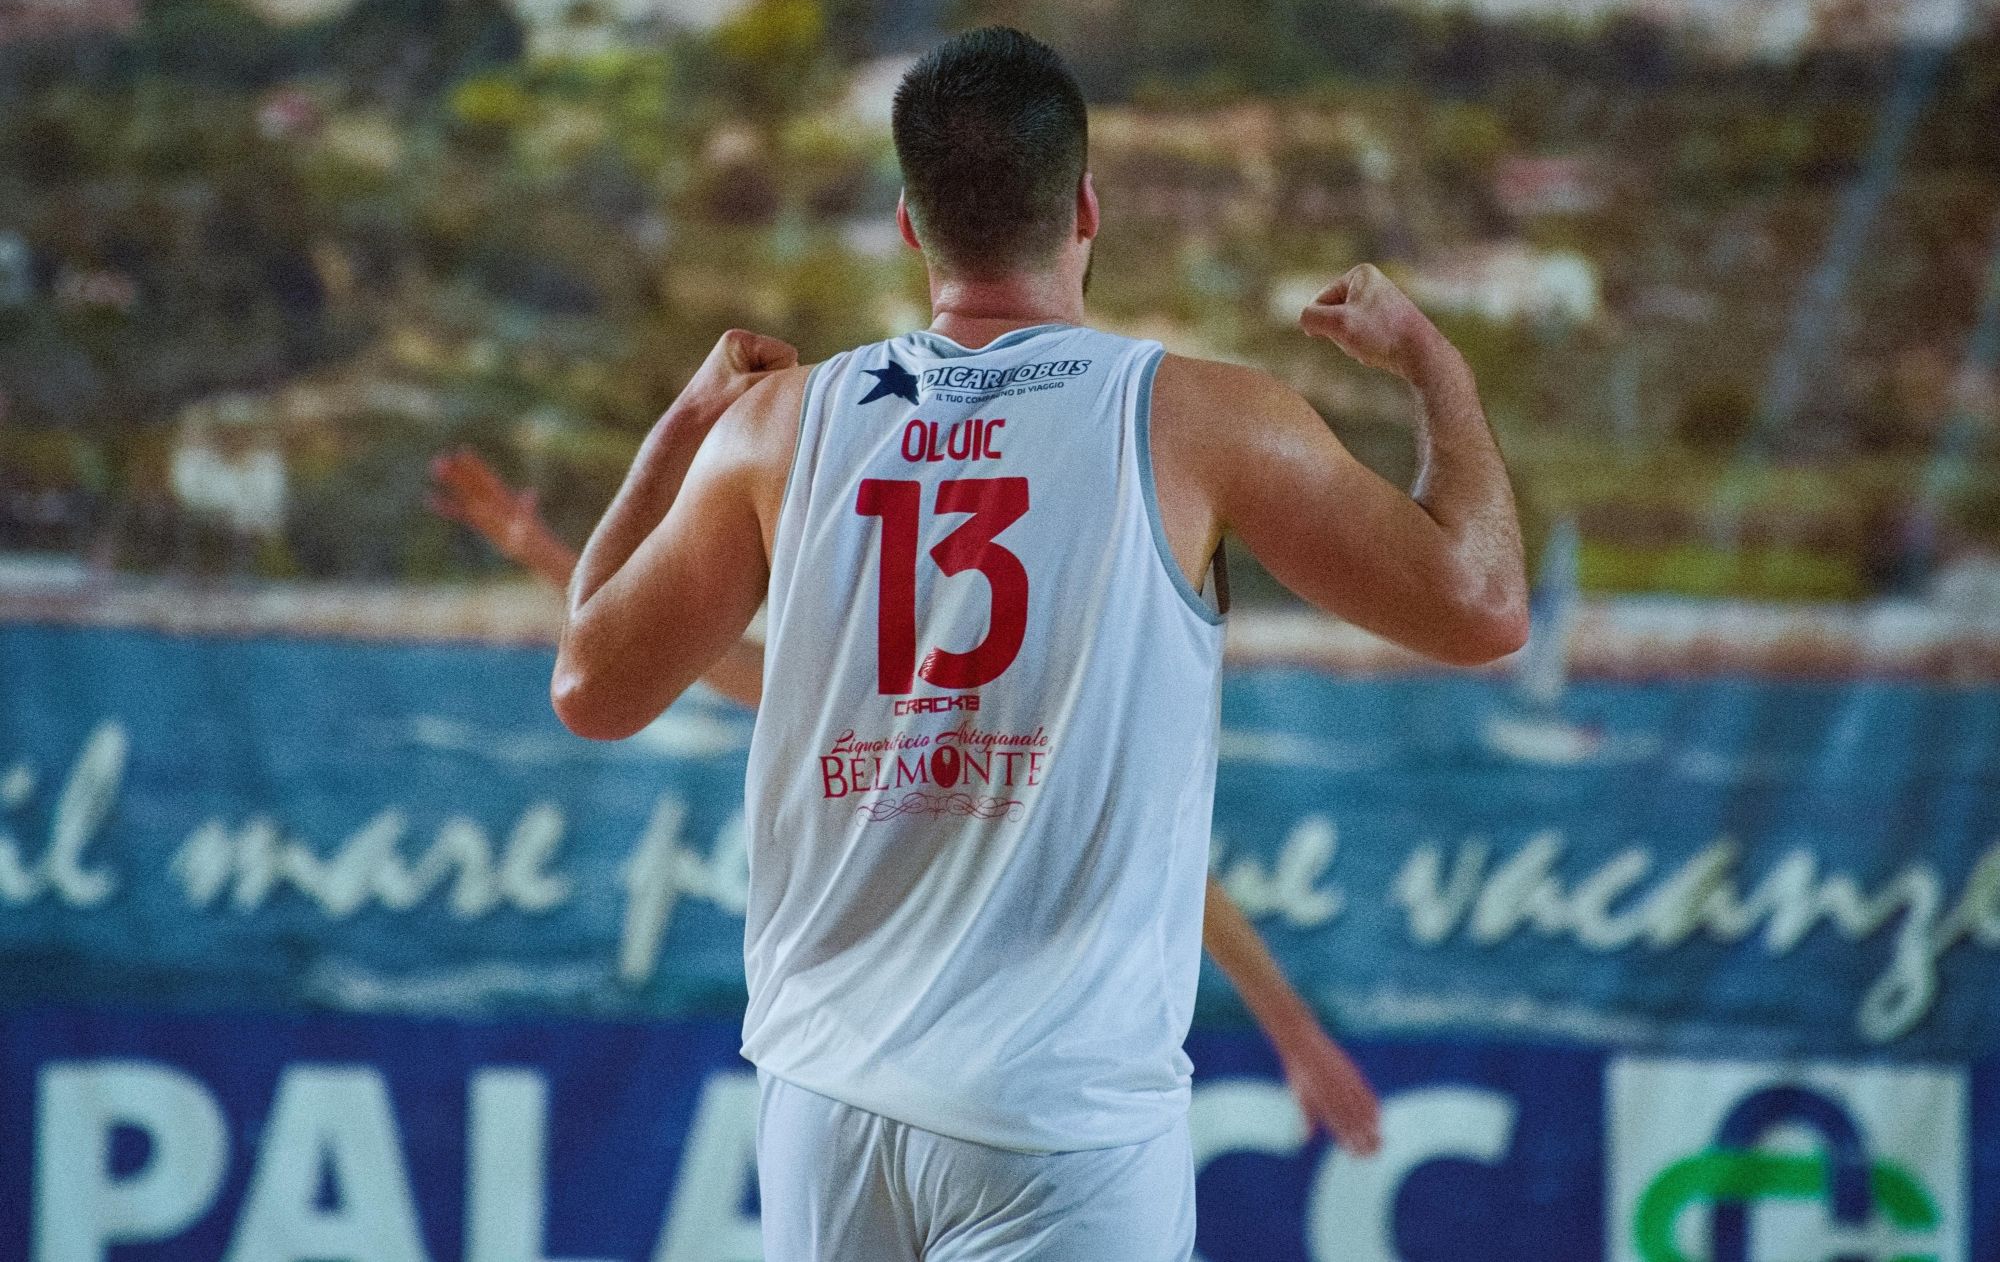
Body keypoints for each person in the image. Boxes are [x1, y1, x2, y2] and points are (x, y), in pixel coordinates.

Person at [545, 26, 1526, 1261]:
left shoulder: (777, 426)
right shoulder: (1199, 418)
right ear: (1085, 209)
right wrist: (1431, 365)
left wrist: (687, 422)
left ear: (910, 226)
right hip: (1057, 1121)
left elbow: (588, 683)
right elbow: (1482, 606)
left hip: (826, 1106)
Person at [431, 447, 1383, 1153]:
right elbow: (704, 660)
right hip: (915, 1090)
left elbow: (1174, 877)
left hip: (944, 1090)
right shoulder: (899, 703)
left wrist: (1296, 1033)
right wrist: (540, 552)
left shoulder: (1028, 714)